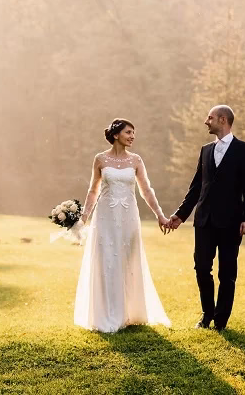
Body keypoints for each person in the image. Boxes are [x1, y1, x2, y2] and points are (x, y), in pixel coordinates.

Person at [74, 118, 172, 332]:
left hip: (128, 217)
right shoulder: (100, 159)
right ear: (116, 134)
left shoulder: (136, 160)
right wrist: (84, 218)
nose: (132, 136)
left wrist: (160, 215)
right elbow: (93, 190)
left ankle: (130, 312)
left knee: (128, 261)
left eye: (134, 133)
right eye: (128, 132)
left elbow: (146, 190)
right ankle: (108, 315)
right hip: (105, 218)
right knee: (107, 261)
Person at [168, 105, 245, 331]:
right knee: (201, 268)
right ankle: (207, 314)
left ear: (223, 120)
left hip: (231, 222)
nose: (206, 121)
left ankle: (221, 320)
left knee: (227, 272)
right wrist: (180, 215)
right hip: (204, 221)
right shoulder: (205, 150)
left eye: (210, 117)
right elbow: (196, 187)